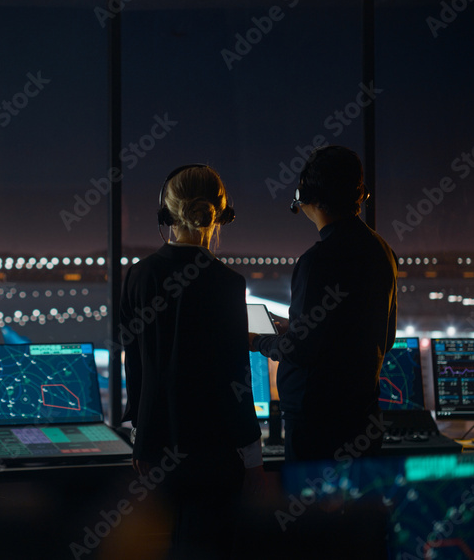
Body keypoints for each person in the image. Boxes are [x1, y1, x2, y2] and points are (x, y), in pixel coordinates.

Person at [121, 164, 263, 559]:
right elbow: (236, 379)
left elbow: (136, 364)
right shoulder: (228, 283)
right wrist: (253, 459)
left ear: (166, 215)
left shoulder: (137, 277)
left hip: (155, 450)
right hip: (214, 455)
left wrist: (141, 436)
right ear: (221, 214)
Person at [249, 146, 397, 462]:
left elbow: (301, 350)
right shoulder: (381, 251)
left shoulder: (316, 262)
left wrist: (259, 341)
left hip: (317, 428)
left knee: (312, 511)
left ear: (306, 196)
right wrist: (297, 328)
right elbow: (377, 333)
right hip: (363, 419)